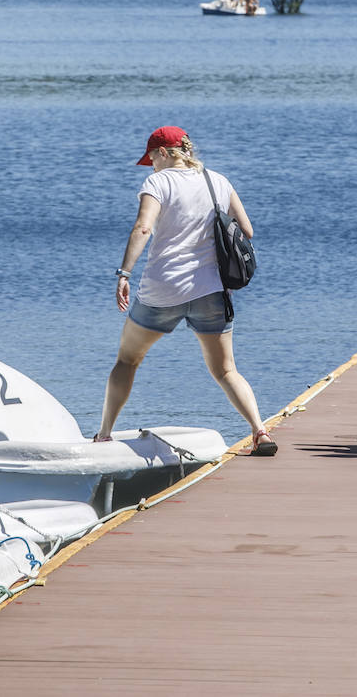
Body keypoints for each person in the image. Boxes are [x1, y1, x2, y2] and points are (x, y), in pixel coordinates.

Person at [96, 126, 277, 456]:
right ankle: (260, 431)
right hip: (211, 292)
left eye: (151, 158)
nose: (150, 165)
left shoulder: (158, 182)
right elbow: (247, 230)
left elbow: (144, 227)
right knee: (226, 371)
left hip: (162, 290)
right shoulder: (218, 181)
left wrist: (124, 274)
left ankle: (104, 434)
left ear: (164, 153)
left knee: (127, 360)